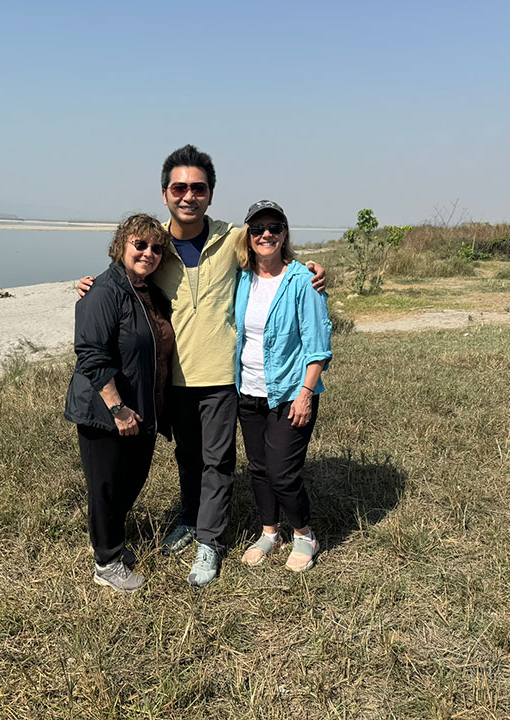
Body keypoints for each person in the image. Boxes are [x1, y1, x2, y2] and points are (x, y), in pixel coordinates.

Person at [78, 145, 326, 588]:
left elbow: (273, 253)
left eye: (198, 187)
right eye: (180, 187)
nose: (188, 195)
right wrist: (92, 284)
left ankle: (209, 544)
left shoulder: (232, 238)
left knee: (218, 461)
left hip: (220, 379)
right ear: (165, 193)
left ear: (210, 194)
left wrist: (314, 272)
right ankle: (190, 519)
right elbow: (125, 276)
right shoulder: (157, 247)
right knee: (187, 457)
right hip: (171, 379)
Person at [64, 214, 175, 592]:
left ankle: (113, 540)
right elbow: (91, 355)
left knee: (132, 480)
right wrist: (117, 407)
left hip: (141, 408)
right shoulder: (103, 291)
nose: (148, 253)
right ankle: (106, 561)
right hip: (105, 412)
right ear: (121, 245)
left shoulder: (149, 291)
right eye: (139, 245)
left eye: (156, 248)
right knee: (107, 486)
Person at [234, 200, 332, 572]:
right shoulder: (242, 279)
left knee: (282, 471)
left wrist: (306, 393)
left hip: (290, 393)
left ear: (284, 233)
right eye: (258, 229)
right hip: (248, 391)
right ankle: (269, 532)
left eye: (274, 227)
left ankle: (305, 534)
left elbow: (319, 346)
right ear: (249, 235)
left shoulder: (302, 281)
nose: (266, 234)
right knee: (259, 468)